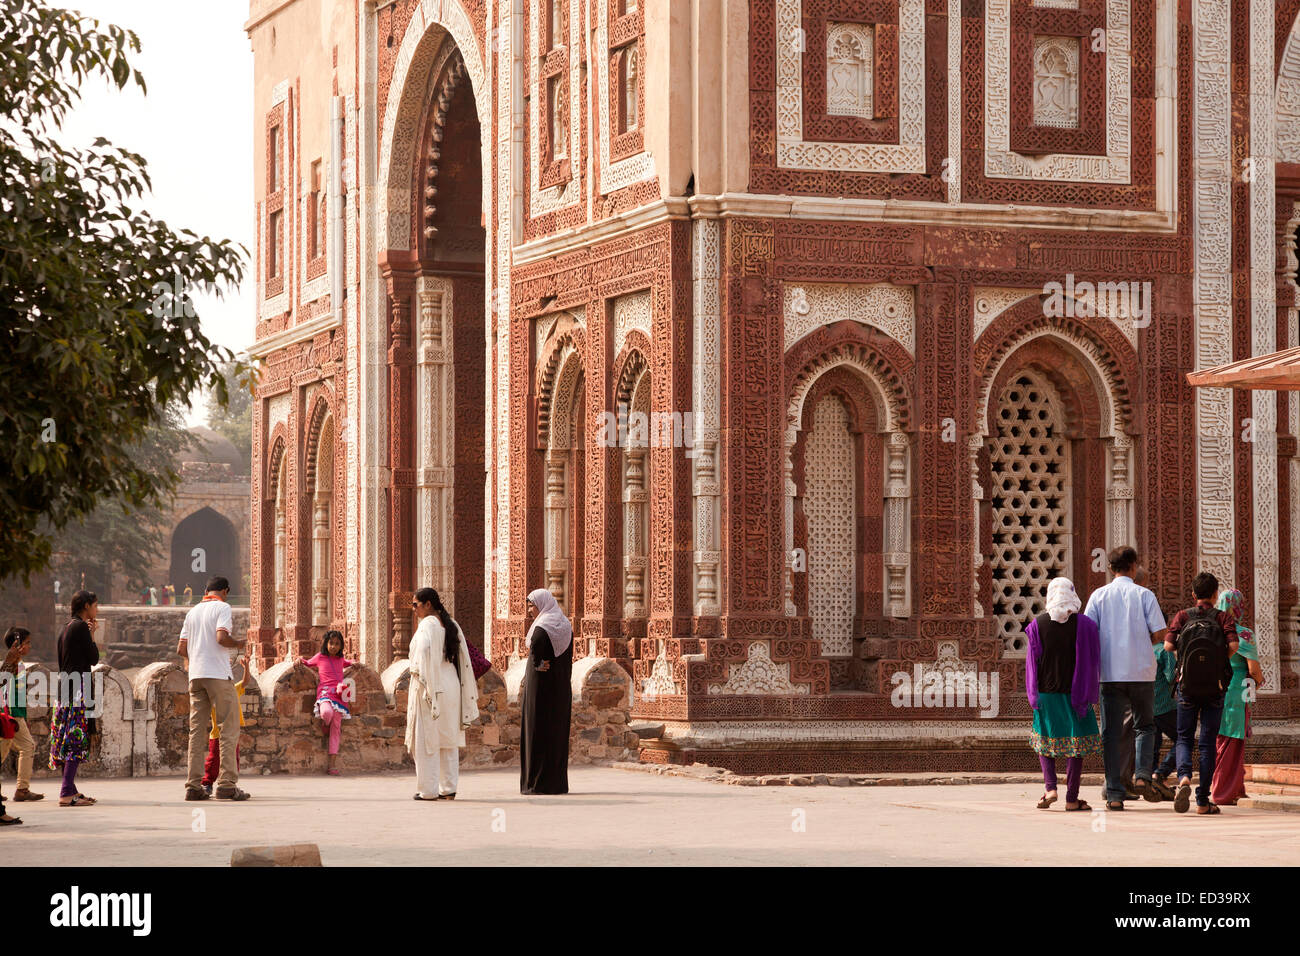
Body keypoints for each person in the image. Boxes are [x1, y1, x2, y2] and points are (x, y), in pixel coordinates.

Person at [1083, 546, 1167, 810]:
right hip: (1141, 671)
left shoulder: (1098, 596)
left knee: (1111, 732)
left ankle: (1115, 793)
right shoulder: (1144, 595)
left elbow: (1087, 633)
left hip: (1110, 674)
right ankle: (1142, 776)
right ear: (1134, 566)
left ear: (1110, 568)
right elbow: (1160, 634)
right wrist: (1139, 642)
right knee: (1145, 726)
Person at [1164, 571, 1238, 815]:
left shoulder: (1183, 616)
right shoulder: (1223, 617)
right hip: (1215, 688)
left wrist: (1183, 661)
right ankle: (1203, 801)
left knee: (1184, 737)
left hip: (1187, 687)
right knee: (1207, 743)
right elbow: (1234, 646)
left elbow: (1168, 645)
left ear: (1194, 594)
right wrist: (1219, 664)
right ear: (1216, 595)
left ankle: (1184, 777)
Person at [1025, 578, 1102, 811]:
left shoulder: (1037, 626)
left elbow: (1031, 665)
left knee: (1045, 741)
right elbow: (1094, 660)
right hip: (1075, 694)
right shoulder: (1086, 625)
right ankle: (1072, 798)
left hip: (1046, 694)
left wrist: (1033, 695)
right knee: (1075, 744)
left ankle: (1050, 788)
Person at [177, 576, 250, 801]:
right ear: (225, 591)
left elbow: (181, 648)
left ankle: (194, 785)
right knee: (228, 728)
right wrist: (238, 644)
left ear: (206, 591)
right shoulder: (223, 607)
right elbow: (221, 637)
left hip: (195, 676)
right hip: (218, 675)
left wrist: (196, 659)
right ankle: (227, 784)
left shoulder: (193, 612)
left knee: (196, 731)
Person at [405, 588, 478, 800]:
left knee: (428, 737)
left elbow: (424, 651)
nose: (414, 610)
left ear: (428, 604)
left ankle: (427, 790)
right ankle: (448, 788)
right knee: (448, 738)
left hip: (432, 682)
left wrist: (421, 672)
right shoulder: (451, 624)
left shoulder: (427, 624)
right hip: (451, 682)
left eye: (415, 605)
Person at [1210, 588, 1263, 806]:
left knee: (1219, 741)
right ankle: (1222, 791)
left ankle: (1235, 787)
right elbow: (1254, 669)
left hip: (1213, 691)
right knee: (1233, 741)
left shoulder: (1212, 630)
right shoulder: (1243, 634)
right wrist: (1258, 682)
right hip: (1236, 692)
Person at [519, 587, 573, 795]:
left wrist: (538, 666)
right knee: (556, 732)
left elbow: (536, 661)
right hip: (560, 689)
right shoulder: (565, 625)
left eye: (531, 606)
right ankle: (556, 783)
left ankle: (536, 784)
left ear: (541, 605)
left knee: (537, 732)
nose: (530, 611)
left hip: (539, 691)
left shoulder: (541, 628)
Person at [49, 591, 100, 807]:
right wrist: (93, 635)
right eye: (95, 606)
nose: (97, 610)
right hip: (79, 688)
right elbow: (94, 658)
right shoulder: (80, 627)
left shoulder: (67, 627)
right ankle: (66, 793)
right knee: (75, 739)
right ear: (86, 606)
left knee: (66, 737)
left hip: (65, 687)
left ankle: (71, 789)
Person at [298, 631, 357, 775]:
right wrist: (299, 660)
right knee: (326, 713)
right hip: (325, 693)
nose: (334, 647)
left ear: (341, 646)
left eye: (337, 644)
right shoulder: (320, 657)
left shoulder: (340, 660)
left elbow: (350, 663)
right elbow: (307, 663)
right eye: (331, 643)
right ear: (326, 643)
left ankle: (332, 765)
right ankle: (325, 724)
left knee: (336, 728)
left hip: (339, 695)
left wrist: (356, 663)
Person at [1, 627, 44, 802]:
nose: (29, 647)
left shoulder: (17, 664)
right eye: (27, 643)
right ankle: (22, 789)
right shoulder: (11, 664)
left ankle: (22, 788)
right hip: (10, 714)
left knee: (3, 752)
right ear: (17, 645)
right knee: (27, 746)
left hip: (13, 712)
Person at [200, 655, 248, 796]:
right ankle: (207, 784)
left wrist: (247, 667)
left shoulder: (233, 689)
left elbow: (245, 681)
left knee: (233, 758)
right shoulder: (214, 692)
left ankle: (229, 783)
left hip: (232, 731)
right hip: (217, 733)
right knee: (213, 761)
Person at [1149, 636, 1180, 799]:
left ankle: (1154, 784)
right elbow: (1171, 677)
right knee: (1183, 739)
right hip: (1164, 706)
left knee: (1153, 745)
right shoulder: (1164, 650)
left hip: (1146, 706)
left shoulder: (1143, 649)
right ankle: (1161, 774)